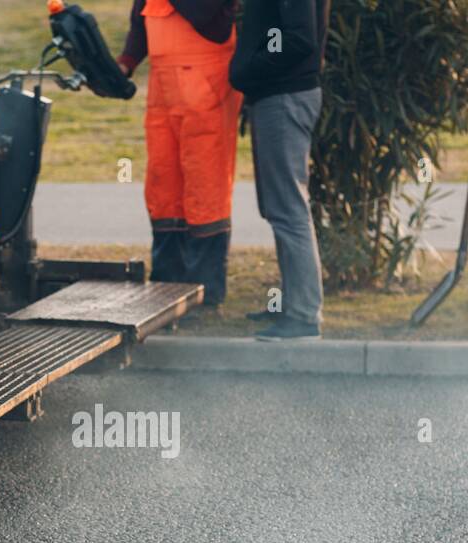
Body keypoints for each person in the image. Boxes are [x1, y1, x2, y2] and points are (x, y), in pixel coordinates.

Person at [118, 0, 239, 307]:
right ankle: (166, 285)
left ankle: (204, 292)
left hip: (207, 80)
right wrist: (126, 62)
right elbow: (141, 18)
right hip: (163, 84)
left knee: (206, 184)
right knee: (163, 185)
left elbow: (205, 13)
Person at [230, 0, 330, 342]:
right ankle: (293, 306)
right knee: (280, 207)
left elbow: (300, 38)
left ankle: (303, 316)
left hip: (285, 94)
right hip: (277, 93)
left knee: (288, 208)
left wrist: (251, 69)